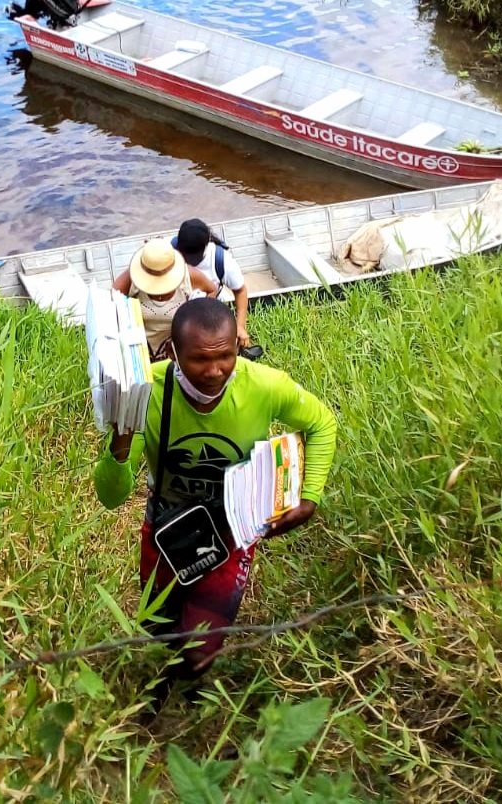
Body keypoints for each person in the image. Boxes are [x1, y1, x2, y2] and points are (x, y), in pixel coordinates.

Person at [92, 297, 337, 715]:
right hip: (168, 527)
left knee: (202, 641)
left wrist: (309, 496)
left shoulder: (263, 385)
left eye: (225, 356)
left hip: (232, 530)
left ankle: (190, 686)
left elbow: (322, 423)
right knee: (158, 627)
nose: (215, 371)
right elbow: (111, 497)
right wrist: (119, 447)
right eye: (199, 360)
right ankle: (157, 689)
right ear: (172, 352)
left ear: (236, 349)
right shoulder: (145, 393)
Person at [112, 237, 219, 361]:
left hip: (177, 353)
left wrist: (200, 317)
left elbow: (212, 290)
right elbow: (111, 301)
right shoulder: (132, 277)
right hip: (139, 355)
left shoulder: (188, 275)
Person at [172, 218, 254, 353]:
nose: (190, 263)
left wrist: (239, 326)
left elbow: (240, 291)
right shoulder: (168, 254)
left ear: (206, 245)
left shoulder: (221, 259)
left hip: (210, 306)